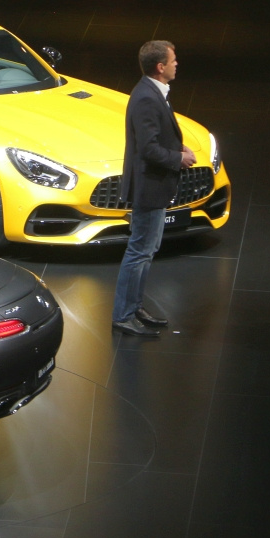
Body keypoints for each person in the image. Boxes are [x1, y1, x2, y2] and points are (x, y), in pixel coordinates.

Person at [111, 40, 196, 338]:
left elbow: (157, 137)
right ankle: (123, 315)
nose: (176, 64)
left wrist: (177, 147)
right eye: (173, 60)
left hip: (155, 186)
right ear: (160, 67)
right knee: (139, 251)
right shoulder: (147, 97)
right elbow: (148, 149)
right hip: (149, 187)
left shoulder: (154, 91)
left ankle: (134, 308)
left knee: (147, 251)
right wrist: (178, 158)